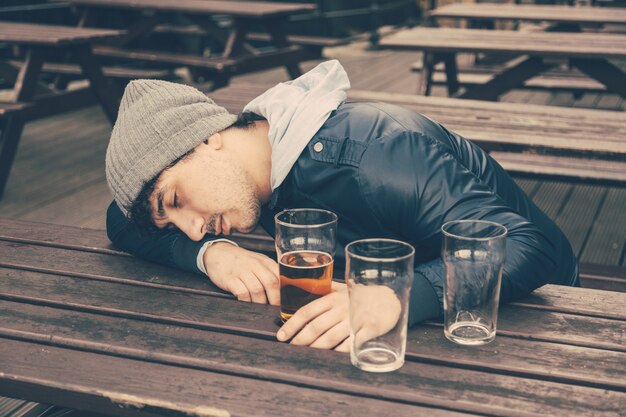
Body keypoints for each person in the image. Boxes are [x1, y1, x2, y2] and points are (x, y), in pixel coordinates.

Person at [105, 60, 579, 352]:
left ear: (207, 141)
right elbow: (120, 220)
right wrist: (212, 255)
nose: (192, 228)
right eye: (172, 218)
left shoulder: (376, 153)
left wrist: (391, 295)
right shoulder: (262, 164)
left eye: (175, 200)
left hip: (539, 314)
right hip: (421, 326)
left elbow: (527, 246)